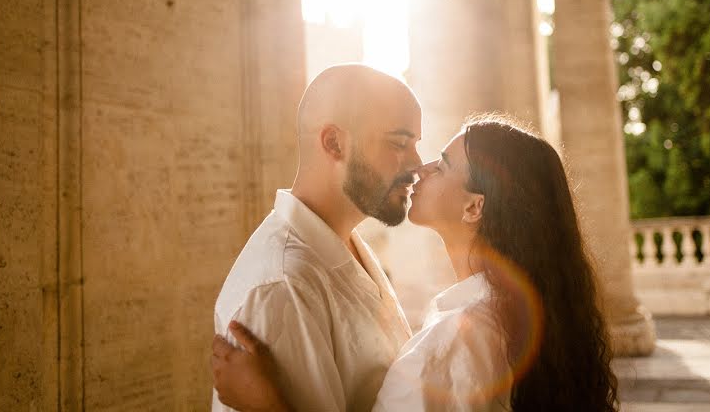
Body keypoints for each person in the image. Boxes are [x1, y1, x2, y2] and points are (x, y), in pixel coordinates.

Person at [213, 115, 619, 411]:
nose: (418, 168)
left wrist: (264, 404)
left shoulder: (453, 346)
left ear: (474, 206)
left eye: (441, 165)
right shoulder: (510, 321)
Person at [212, 64, 423, 412]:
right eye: (399, 142)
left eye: (415, 143)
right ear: (334, 143)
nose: (417, 162)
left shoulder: (347, 245)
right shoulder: (281, 287)